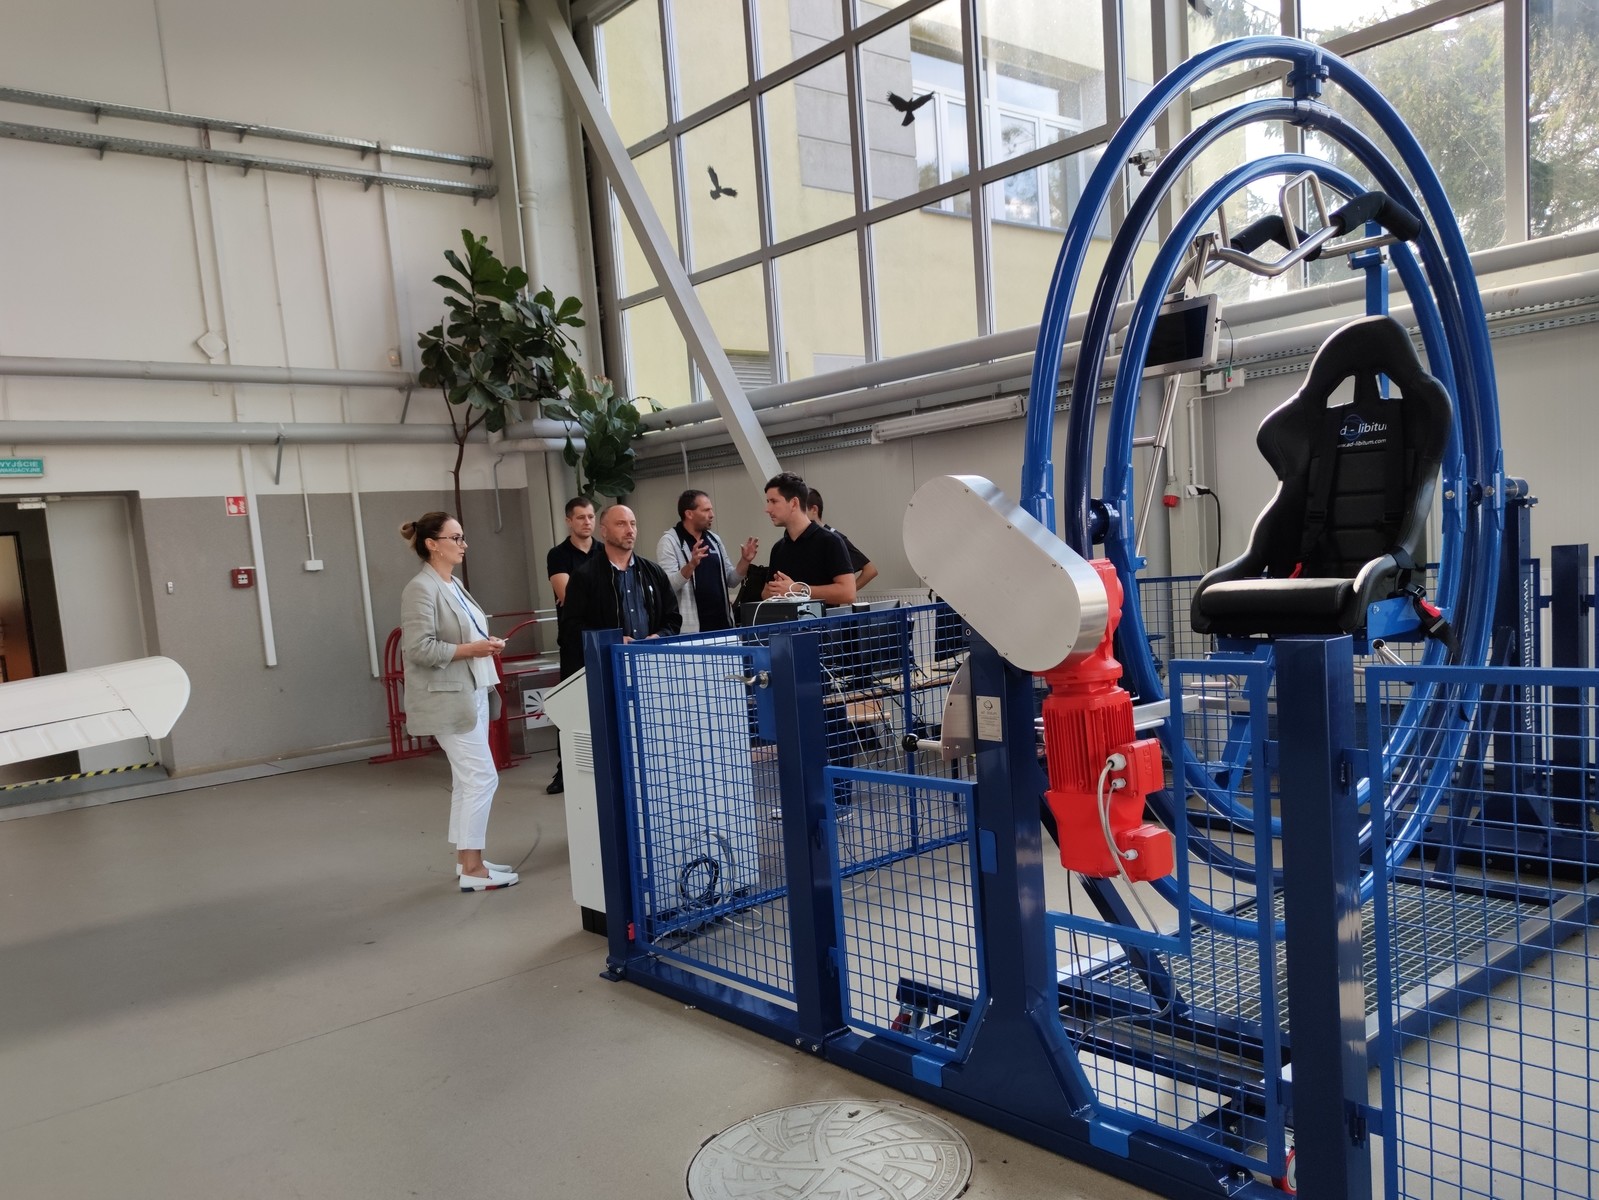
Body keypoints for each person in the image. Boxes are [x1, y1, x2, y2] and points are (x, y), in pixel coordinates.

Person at [399, 512, 518, 892]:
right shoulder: (420, 588)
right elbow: (418, 649)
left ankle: (467, 861)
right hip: (449, 699)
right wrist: (471, 649)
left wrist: (486, 644)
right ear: (432, 544)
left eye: (462, 537)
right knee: (482, 777)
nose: (463, 544)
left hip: (474, 691)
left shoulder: (453, 585)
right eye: (455, 538)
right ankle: (473, 869)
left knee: (468, 781)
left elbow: (465, 633)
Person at [561, 504, 682, 677]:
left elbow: (673, 618)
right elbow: (571, 627)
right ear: (604, 531)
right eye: (621, 524)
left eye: (633, 524)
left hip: (650, 664)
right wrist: (613, 641)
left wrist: (659, 636)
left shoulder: (653, 572)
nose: (630, 530)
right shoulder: (584, 576)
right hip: (606, 668)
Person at [543, 497, 601, 794]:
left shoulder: (604, 551)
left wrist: (582, 594)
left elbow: (615, 593)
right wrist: (595, 596)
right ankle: (564, 769)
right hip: (574, 642)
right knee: (571, 706)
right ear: (569, 521)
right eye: (580, 517)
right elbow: (567, 596)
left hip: (605, 640)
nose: (587, 522)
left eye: (590, 516)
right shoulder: (558, 555)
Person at [657, 489, 759, 634]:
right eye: (706, 510)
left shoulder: (714, 540)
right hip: (691, 633)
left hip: (724, 626)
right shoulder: (670, 542)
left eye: (711, 509)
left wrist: (745, 561)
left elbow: (731, 580)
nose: (712, 515)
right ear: (689, 514)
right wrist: (691, 565)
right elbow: (669, 587)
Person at [762, 472, 857, 606]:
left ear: (794, 503)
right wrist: (777, 590)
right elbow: (766, 593)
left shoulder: (830, 541)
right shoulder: (778, 548)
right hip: (788, 620)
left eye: (774, 501)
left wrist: (797, 590)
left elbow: (848, 593)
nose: (767, 509)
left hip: (823, 620)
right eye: (768, 502)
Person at [806, 488, 878, 590]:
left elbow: (870, 570)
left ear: (814, 510)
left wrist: (848, 592)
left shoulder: (834, 538)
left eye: (801, 510)